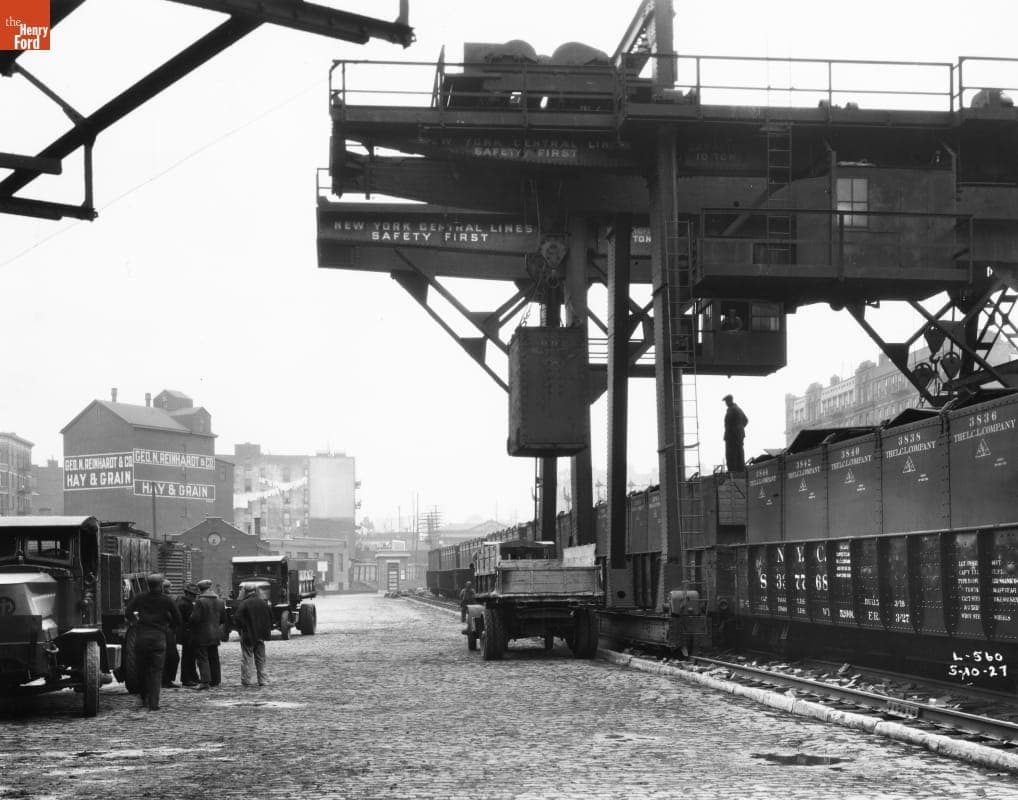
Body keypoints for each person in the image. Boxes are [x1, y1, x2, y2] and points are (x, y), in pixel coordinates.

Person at [124, 573, 182, 712]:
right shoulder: (166, 600)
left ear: (148, 585)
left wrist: (136, 621)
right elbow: (178, 619)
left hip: (142, 637)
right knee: (156, 671)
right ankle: (154, 703)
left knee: (142, 669)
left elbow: (128, 612)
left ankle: (144, 697)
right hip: (159, 638)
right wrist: (169, 626)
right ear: (161, 585)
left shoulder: (140, 598)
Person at [189, 578, 228, 691]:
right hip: (215, 634)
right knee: (214, 657)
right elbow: (223, 619)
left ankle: (205, 681)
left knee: (202, 658)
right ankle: (216, 680)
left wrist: (190, 619)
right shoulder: (220, 601)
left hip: (202, 634)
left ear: (200, 589)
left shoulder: (200, 602)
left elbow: (195, 619)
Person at [233, 585, 272, 688]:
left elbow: (237, 618)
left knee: (247, 658)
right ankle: (263, 680)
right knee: (261, 658)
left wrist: (243, 628)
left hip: (248, 636)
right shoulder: (263, 602)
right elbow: (271, 616)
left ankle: (246, 681)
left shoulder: (244, 603)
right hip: (261, 635)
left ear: (246, 592)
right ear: (255, 591)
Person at [177, 583, 200, 687]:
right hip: (188, 633)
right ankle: (187, 679)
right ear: (187, 593)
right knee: (188, 657)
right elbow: (189, 619)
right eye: (192, 594)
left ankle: (193, 676)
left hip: (187, 633)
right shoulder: (184, 604)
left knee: (191, 656)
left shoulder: (184, 602)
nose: (194, 597)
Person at [161, 578, 181, 689]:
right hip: (166, 630)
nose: (170, 589)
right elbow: (174, 616)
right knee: (172, 657)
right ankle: (166, 680)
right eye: (168, 587)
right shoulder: (168, 600)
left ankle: (165, 679)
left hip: (163, 629)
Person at [723, 393, 749, 473]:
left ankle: (732, 472)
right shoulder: (738, 409)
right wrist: (740, 428)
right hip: (739, 435)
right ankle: (740, 470)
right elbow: (746, 420)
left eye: (726, 402)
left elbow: (728, 423)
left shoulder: (731, 410)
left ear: (728, 401)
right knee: (739, 453)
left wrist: (735, 430)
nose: (725, 403)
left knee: (731, 455)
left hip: (732, 437)